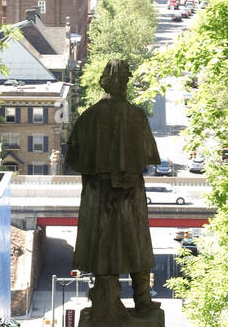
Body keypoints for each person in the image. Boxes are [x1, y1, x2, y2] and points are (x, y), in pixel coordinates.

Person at [64, 60, 160, 313]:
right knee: (136, 244)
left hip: (98, 196)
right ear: (115, 83)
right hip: (128, 194)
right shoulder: (135, 116)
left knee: (104, 248)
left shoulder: (89, 117)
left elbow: (74, 159)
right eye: (123, 81)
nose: (123, 85)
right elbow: (149, 157)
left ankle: (111, 301)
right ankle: (140, 301)